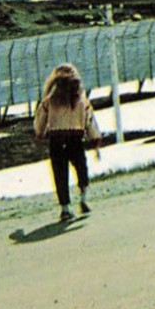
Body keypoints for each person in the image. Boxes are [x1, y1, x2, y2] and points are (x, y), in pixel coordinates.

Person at [33, 63, 101, 222]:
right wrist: (95, 137)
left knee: (60, 174)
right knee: (81, 168)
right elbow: (89, 120)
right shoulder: (81, 100)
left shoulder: (49, 101)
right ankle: (83, 198)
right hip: (76, 138)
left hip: (57, 139)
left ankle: (65, 209)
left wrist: (40, 133)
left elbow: (40, 119)